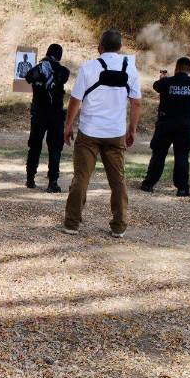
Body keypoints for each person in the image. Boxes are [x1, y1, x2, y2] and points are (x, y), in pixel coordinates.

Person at [62, 29, 141, 238]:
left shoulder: (88, 68)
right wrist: (132, 129)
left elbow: (75, 101)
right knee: (118, 180)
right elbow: (136, 103)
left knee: (81, 177)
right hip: (115, 133)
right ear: (120, 47)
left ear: (100, 47)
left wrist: (67, 126)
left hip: (89, 132)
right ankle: (119, 225)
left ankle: (72, 223)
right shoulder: (131, 70)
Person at [140, 57, 190, 197]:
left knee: (159, 154)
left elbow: (156, 86)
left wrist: (162, 78)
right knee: (182, 156)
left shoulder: (166, 82)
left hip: (165, 124)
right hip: (184, 125)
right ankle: (183, 188)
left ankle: (149, 184)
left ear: (176, 68)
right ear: (189, 70)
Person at [24, 44, 70, 192]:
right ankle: (52, 182)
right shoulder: (62, 71)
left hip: (39, 114)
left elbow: (28, 77)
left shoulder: (38, 69)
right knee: (55, 148)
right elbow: (63, 76)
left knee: (35, 146)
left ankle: (30, 179)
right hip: (55, 115)